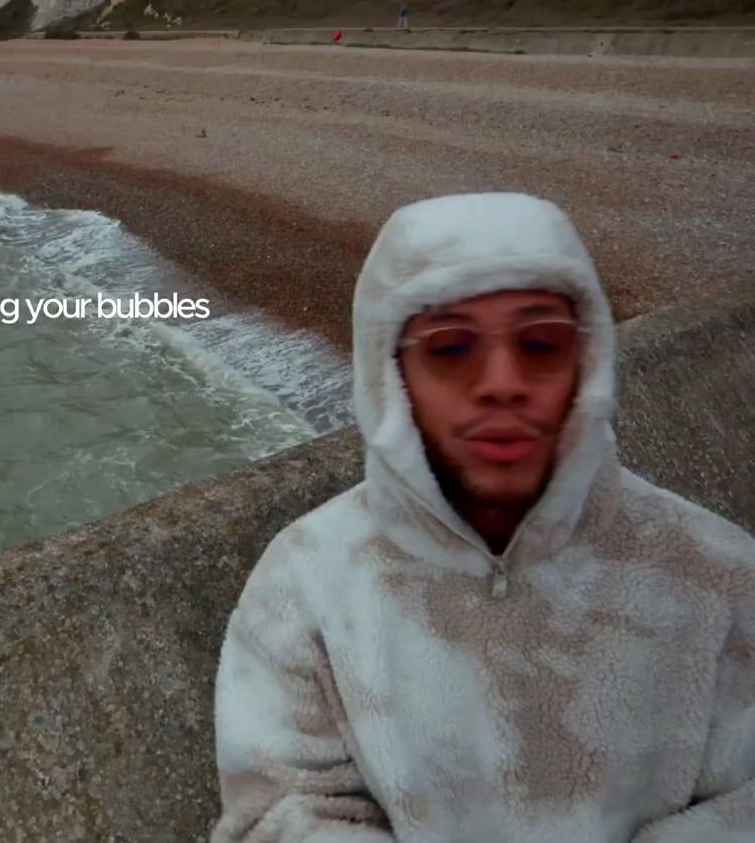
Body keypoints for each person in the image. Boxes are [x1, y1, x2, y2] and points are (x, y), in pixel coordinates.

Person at [211, 192, 755, 842]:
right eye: (449, 347)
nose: (502, 381)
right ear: (390, 375)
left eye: (542, 343)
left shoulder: (717, 574)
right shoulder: (304, 582)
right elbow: (279, 812)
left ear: (589, 363)